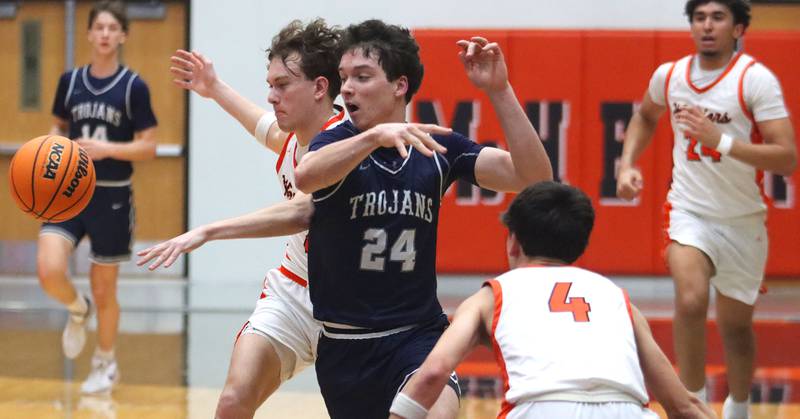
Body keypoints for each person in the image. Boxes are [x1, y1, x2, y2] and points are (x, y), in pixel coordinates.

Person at [293, 20, 552, 419]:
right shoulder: (334, 141)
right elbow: (307, 176)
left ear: (399, 85)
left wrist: (499, 91)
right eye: (344, 77)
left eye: (363, 77)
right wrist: (373, 138)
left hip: (418, 335)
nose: (347, 88)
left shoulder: (438, 146)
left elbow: (534, 178)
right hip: (345, 344)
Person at [137, 19, 344, 419]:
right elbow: (260, 125)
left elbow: (301, 211)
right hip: (293, 294)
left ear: (320, 87)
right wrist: (214, 88)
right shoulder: (294, 138)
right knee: (233, 401)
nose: (271, 96)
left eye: (283, 85)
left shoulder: (345, 142)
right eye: (269, 85)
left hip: (350, 306)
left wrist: (207, 231)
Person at [388, 181, 716, 419]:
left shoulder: (491, 296)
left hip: (542, 408)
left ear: (512, 242)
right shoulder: (617, 298)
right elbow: (682, 406)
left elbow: (434, 372)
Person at [616, 1, 797, 418]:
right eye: (700, 18)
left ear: (738, 29)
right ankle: (691, 404)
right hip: (688, 210)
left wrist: (723, 141)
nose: (707, 26)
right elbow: (644, 116)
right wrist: (628, 165)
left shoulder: (755, 80)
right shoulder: (671, 75)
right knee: (692, 298)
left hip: (742, 221)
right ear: (691, 26)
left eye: (718, 18)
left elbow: (786, 157)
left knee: (736, 328)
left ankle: (739, 406)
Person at [38, 0, 158, 394]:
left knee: (105, 287)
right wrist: (54, 149)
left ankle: (105, 363)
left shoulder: (133, 86)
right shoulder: (70, 82)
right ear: (89, 34)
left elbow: (148, 147)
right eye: (99, 27)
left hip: (111, 196)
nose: (105, 34)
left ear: (123, 35)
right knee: (49, 270)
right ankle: (78, 308)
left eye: (112, 28)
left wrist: (107, 150)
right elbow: (58, 126)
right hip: (68, 191)